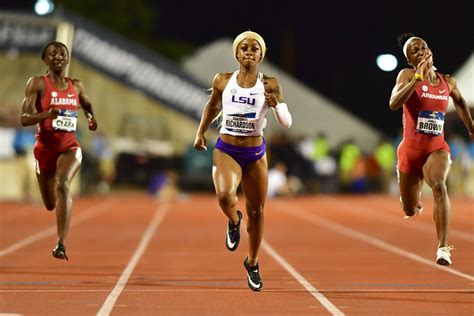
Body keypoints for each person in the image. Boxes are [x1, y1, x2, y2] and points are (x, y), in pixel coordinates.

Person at [194, 31, 292, 291]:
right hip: (226, 149)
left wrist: (277, 106)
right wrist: (200, 132)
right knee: (226, 197)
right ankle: (234, 220)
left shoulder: (269, 83)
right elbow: (212, 107)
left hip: (255, 153)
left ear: (262, 55)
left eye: (254, 49)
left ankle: (252, 262)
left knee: (257, 212)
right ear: (236, 53)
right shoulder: (223, 80)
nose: (249, 52)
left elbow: (286, 123)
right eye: (244, 48)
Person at [389, 33, 474, 266]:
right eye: (414, 51)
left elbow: (459, 102)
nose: (421, 51)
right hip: (409, 151)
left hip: (436, 149)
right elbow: (394, 103)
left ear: (430, 50)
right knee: (410, 209)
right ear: (410, 60)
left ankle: (443, 248)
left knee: (439, 185)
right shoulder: (407, 75)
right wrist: (417, 79)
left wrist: (471, 127)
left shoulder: (448, 81)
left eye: (423, 47)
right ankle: (409, 196)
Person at [20, 41, 98, 261]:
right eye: (53, 54)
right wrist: (46, 115)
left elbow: (87, 104)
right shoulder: (37, 84)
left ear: (68, 58)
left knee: (63, 183)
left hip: (69, 146)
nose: (58, 57)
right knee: (50, 204)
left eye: (62, 53)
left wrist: (91, 117)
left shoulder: (77, 86)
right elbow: (24, 118)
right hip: (44, 149)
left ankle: (61, 243)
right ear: (45, 60)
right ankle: (53, 188)